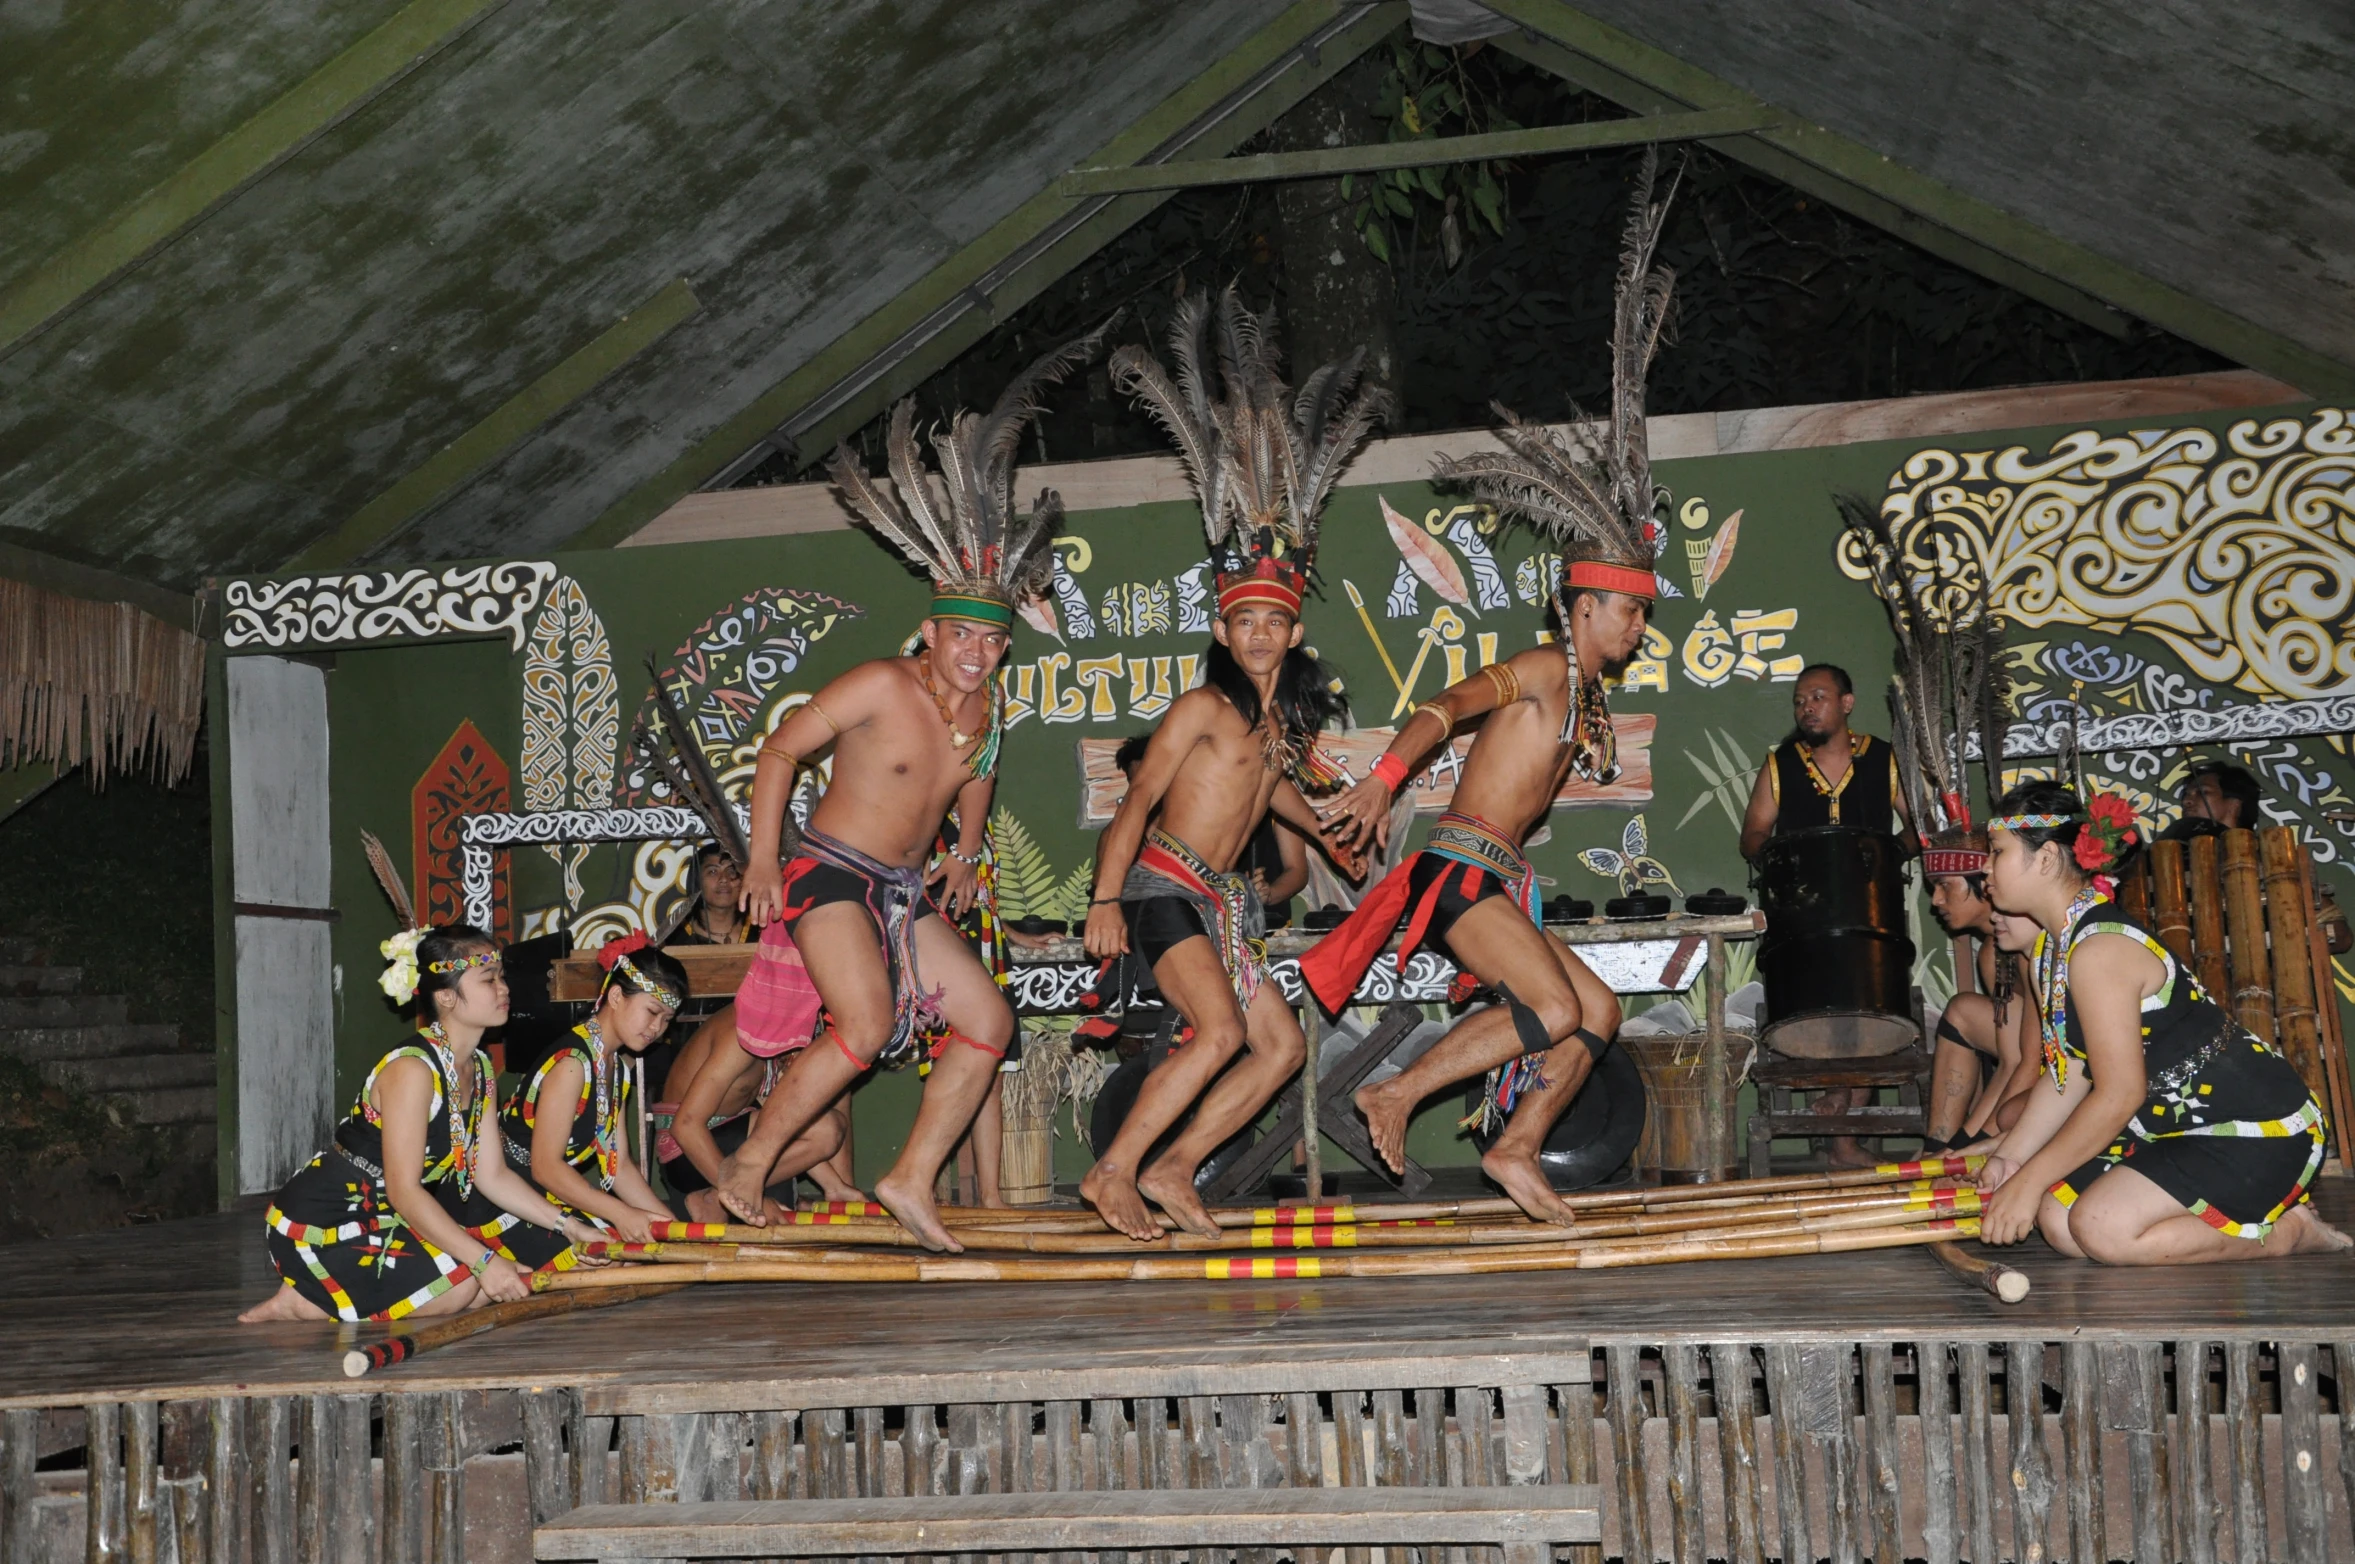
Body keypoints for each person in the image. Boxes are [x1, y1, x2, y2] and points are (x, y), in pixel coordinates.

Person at [1309, 154, 1683, 1226]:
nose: (1638, 625)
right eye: (1628, 609)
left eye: (1644, 613)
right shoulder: (1536, 671)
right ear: (1581, 606)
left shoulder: (1587, 696)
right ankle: (1395, 1086)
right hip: (1458, 875)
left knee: (1596, 1012)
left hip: (1498, 879)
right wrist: (1385, 777)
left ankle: (1517, 1147)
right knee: (1553, 1002)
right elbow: (1442, 708)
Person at [712, 330, 1100, 1251]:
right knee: (867, 1020)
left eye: (993, 640)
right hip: (828, 874)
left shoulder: (988, 709)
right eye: (963, 637)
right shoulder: (883, 686)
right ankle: (747, 1164)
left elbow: (979, 775)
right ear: (931, 632)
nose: (977, 652)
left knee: (988, 1019)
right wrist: (763, 860)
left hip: (903, 889)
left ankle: (910, 1177)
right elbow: (778, 753)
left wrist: (967, 850)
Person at [1078, 290, 1377, 1238]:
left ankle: (1171, 1167)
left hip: (1223, 906)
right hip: (1162, 891)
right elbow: (1136, 806)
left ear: (1294, 631)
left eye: (1273, 622)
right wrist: (1100, 899)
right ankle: (1114, 1169)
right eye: (1243, 620)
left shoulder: (1272, 727)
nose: (1257, 632)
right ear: (1222, 627)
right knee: (1216, 1033)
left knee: (1277, 1047)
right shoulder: (1200, 708)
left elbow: (1274, 792)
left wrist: (1329, 823)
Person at [1970, 779, 2348, 1262]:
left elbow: (2119, 1092)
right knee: (2060, 1222)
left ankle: (2290, 1232)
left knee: (2100, 1227)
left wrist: (2028, 1179)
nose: (1985, 866)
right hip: (2170, 1128)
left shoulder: (2101, 949)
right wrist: (2012, 1160)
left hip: (2252, 1127)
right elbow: (2069, 1073)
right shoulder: (2050, 950)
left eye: (1996, 851)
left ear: (2044, 859)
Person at [239, 925, 576, 1322]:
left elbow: (493, 1176)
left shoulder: (481, 1068)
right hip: (323, 1221)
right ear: (446, 996)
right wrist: (485, 1261)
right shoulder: (413, 1070)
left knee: (480, 1284)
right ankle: (300, 1303)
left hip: (388, 1217)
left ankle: (328, 1297)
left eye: (502, 977)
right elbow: (404, 1190)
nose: (503, 988)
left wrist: (570, 1227)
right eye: (488, 979)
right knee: (468, 1281)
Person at [484, 934, 687, 1246]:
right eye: (652, 1011)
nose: (657, 1027)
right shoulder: (572, 1064)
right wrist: (621, 1213)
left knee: (634, 1251)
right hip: (506, 1196)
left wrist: (671, 1228)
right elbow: (546, 1168)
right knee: (612, 1257)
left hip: (543, 1197)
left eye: (667, 1019)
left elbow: (618, 1167)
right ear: (617, 996)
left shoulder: (616, 1066)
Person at [1918, 833, 2033, 1152]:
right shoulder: (1992, 953)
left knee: (2010, 1115)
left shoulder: (2027, 944)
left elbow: (2032, 1063)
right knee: (1963, 1010)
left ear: (1984, 883)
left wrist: (1977, 1142)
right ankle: (1936, 1144)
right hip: (2037, 1066)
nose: (1936, 900)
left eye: (1945, 885)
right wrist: (1955, 1146)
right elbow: (2013, 1061)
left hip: (2070, 1071)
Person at [1736, 664, 1918, 860]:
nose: (1807, 707)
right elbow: (1753, 835)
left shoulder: (1885, 758)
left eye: (1818, 697)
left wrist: (1887, 854)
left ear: (1846, 703)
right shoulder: (1781, 764)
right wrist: (1782, 862)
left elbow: (1920, 827)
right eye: (1799, 702)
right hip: (1800, 889)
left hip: (1873, 888)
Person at [2159, 759, 2262, 839]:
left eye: (2202, 792)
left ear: (2234, 804)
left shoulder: (2263, 855)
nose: (2186, 801)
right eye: (2186, 794)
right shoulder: (2177, 854)